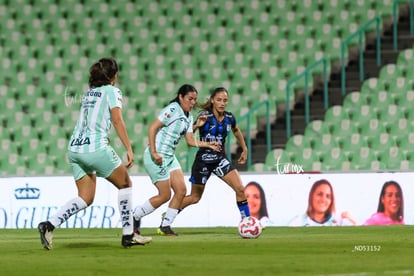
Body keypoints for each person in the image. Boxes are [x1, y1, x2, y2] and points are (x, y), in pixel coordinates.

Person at [37, 57, 152, 249]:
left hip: (75, 149)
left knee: (86, 197)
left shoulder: (89, 94)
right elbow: (117, 120)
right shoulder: (112, 91)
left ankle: (49, 225)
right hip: (95, 149)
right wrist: (129, 148)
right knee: (125, 184)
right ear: (114, 76)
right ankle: (128, 235)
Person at [132, 84, 221, 236]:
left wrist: (207, 143)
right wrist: (154, 152)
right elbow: (152, 128)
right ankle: (135, 216)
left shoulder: (189, 117)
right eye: (189, 99)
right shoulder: (173, 109)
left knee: (181, 190)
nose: (192, 102)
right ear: (180, 97)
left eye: (194, 100)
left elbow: (190, 141)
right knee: (164, 195)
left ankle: (165, 225)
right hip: (156, 156)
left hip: (169, 157)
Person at [171, 86, 250, 227]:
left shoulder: (230, 117)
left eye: (225, 100)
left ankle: (247, 222)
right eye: (219, 100)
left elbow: (236, 131)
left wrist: (244, 148)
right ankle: (169, 215)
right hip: (203, 161)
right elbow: (188, 134)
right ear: (212, 100)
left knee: (240, 189)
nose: (222, 103)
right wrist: (197, 125)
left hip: (220, 160)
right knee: (195, 198)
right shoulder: (204, 116)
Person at [289, 179, 357, 226]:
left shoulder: (340, 222)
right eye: (319, 194)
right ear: (311, 196)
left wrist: (354, 222)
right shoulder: (298, 222)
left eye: (328, 196)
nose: (323, 199)